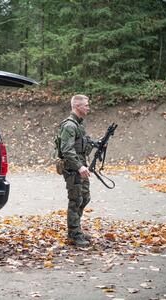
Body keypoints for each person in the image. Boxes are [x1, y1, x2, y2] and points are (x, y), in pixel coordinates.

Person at [59, 94, 97, 247]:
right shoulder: (69, 125)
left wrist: (96, 144)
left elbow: (82, 146)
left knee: (85, 197)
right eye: (86, 105)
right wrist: (79, 166)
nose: (88, 107)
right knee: (76, 200)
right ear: (77, 107)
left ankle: (76, 229)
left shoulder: (79, 124)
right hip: (73, 168)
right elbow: (66, 150)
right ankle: (74, 233)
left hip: (81, 167)